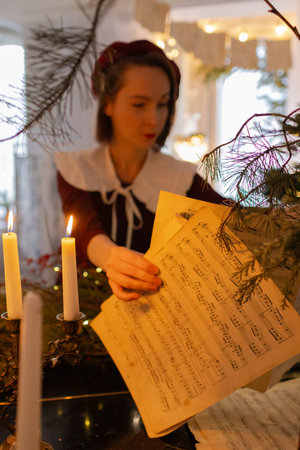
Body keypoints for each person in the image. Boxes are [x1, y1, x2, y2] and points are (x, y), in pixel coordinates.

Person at [54, 39, 225, 301]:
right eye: (139, 104)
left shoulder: (179, 177)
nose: (154, 119)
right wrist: (112, 258)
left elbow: (233, 219)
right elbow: (86, 230)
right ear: (107, 104)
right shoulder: (78, 168)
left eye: (162, 104)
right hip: (78, 309)